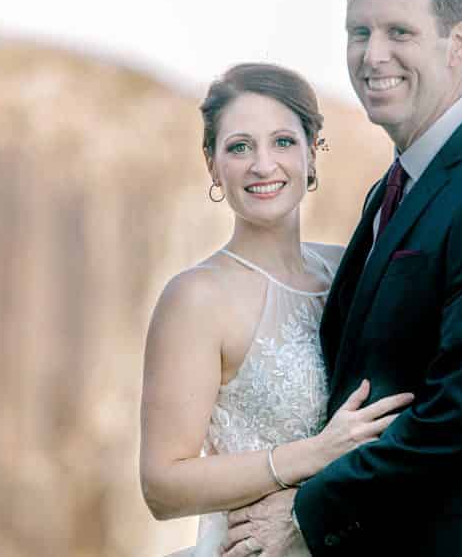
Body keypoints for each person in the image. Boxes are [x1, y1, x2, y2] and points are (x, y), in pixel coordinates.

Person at [222, 0, 462, 557]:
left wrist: (306, 512)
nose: (372, 55)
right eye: (359, 32)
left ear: (458, 43)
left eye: (399, 32)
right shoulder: (393, 187)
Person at [139, 63, 414, 557]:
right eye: (239, 146)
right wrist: (313, 454)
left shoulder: (350, 269)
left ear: (312, 153)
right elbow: (161, 486)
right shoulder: (196, 298)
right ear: (212, 164)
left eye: (283, 142)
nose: (263, 165)